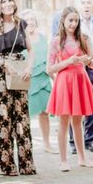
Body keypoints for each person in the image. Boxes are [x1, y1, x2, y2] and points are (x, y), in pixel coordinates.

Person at [0, 0, 36, 176]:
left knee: (22, 119)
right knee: (4, 119)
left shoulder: (21, 23)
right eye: (4, 2)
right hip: (0, 76)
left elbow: (30, 49)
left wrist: (29, 67)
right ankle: (6, 165)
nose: (8, 4)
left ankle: (26, 163)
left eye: (10, 0)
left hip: (20, 73)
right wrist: (4, 63)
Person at [46, 7, 93, 172]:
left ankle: (82, 158)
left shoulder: (84, 39)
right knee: (63, 122)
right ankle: (63, 160)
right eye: (70, 20)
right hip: (64, 82)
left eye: (76, 20)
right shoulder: (56, 41)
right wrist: (70, 61)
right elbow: (50, 69)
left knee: (78, 121)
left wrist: (89, 61)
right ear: (63, 20)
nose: (73, 24)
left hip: (80, 79)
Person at [69, 0, 93, 154]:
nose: (87, 5)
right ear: (78, 5)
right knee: (75, 105)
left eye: (89, 2)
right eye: (83, 3)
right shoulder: (74, 23)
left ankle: (90, 140)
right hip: (77, 69)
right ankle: (74, 142)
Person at [19, 9, 56, 154]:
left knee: (44, 113)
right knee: (25, 114)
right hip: (28, 79)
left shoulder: (42, 37)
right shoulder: (20, 39)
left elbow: (49, 59)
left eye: (33, 19)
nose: (30, 22)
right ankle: (25, 145)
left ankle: (47, 143)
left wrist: (54, 77)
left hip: (43, 79)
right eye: (27, 20)